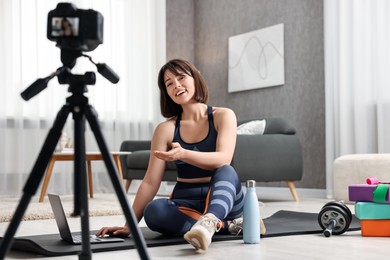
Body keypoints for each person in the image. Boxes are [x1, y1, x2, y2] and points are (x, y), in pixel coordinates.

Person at [96, 59, 264, 251]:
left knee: (226, 170)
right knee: (154, 212)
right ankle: (224, 226)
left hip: (225, 197)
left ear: (196, 78)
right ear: (166, 93)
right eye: (169, 84)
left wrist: (184, 154)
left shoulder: (223, 115)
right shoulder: (165, 129)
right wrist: (129, 226)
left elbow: (223, 158)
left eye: (181, 77)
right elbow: (150, 182)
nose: (176, 85)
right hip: (187, 202)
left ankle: (211, 221)